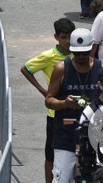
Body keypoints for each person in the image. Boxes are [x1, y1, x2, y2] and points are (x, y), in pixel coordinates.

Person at [21, 18, 76, 183]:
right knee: (51, 153)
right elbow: (26, 69)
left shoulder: (78, 54)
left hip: (76, 111)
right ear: (56, 37)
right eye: (64, 37)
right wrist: (42, 90)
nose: (67, 41)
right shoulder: (48, 56)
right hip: (55, 113)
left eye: (70, 37)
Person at [46, 28, 103, 183]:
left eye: (85, 52)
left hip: (93, 136)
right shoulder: (61, 68)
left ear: (92, 48)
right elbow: (49, 100)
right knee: (63, 178)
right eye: (77, 53)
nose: (81, 57)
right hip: (65, 135)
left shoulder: (100, 68)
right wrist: (64, 103)